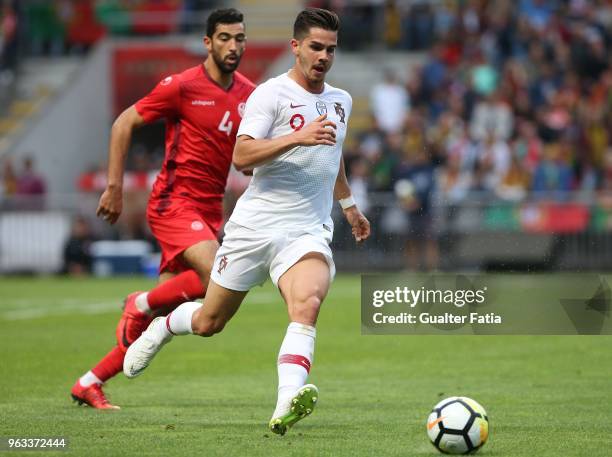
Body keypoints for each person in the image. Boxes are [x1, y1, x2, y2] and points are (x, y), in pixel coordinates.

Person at [124, 7, 371, 435]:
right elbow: (241, 157)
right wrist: (297, 135)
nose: (323, 56)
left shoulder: (341, 100)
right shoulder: (268, 95)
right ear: (296, 47)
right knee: (208, 323)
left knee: (307, 303)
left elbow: (332, 156)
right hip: (253, 229)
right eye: (315, 47)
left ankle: (285, 402)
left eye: (331, 49)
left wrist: (348, 205)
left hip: (305, 231)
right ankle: (164, 325)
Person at [71, 8, 255, 410]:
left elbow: (246, 156)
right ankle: (139, 302)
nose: (233, 46)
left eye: (239, 38)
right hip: (174, 203)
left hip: (208, 213)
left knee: (167, 321)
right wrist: (114, 187)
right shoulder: (182, 86)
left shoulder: (248, 94)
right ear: (208, 42)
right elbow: (123, 123)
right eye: (225, 37)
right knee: (217, 278)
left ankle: (89, 381)